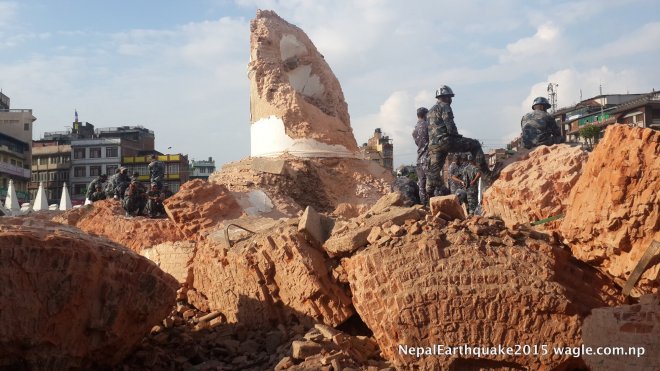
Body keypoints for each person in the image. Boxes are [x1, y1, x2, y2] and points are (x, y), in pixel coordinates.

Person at [426, 85, 490, 198]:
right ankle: (487, 175)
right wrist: (456, 137)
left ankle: (428, 198)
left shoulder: (430, 111)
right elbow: (450, 125)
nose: (451, 100)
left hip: (433, 146)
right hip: (446, 141)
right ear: (446, 97)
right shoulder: (445, 106)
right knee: (475, 145)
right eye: (450, 97)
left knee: (433, 172)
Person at [412, 107, 430, 206]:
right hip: (428, 159)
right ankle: (433, 208)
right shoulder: (429, 126)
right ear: (425, 115)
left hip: (419, 159)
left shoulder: (415, 130)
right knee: (433, 184)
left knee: (421, 186)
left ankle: (424, 207)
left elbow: (418, 143)